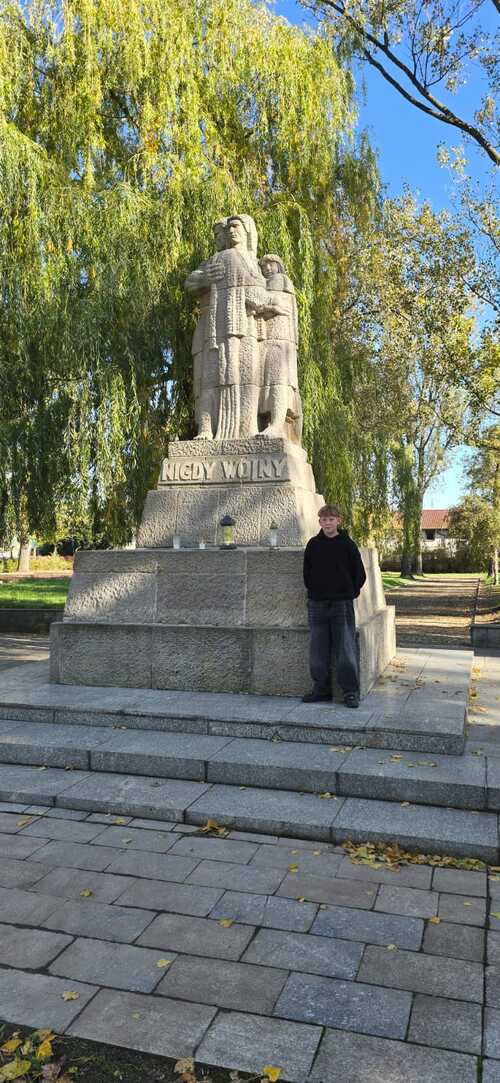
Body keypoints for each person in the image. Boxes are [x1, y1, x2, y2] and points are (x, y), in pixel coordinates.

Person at [302, 504, 366, 707]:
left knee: (345, 647)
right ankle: (321, 689)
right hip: (317, 603)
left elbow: (359, 573)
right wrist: (315, 591)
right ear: (319, 522)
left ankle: (350, 692)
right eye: (324, 520)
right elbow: (307, 572)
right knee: (318, 648)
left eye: (331, 519)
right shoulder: (313, 545)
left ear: (338, 521)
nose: (327, 523)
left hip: (341, 603)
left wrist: (349, 593)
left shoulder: (348, 545)